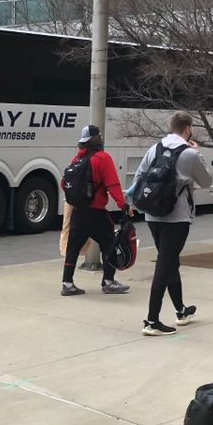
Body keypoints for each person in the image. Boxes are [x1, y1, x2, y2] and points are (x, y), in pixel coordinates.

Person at [131, 111, 213, 336]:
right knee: (165, 264)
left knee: (169, 262)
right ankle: (151, 320)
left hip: (152, 216)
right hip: (176, 218)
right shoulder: (189, 154)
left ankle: (181, 310)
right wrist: (198, 153)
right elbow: (207, 181)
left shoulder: (154, 148)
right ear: (188, 129)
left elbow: (138, 178)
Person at [60, 124, 130, 296]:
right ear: (97, 140)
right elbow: (113, 185)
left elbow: (64, 184)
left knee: (73, 248)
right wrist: (124, 206)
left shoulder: (76, 160)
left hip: (78, 212)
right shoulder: (102, 158)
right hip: (96, 212)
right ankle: (108, 281)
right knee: (109, 245)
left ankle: (67, 283)